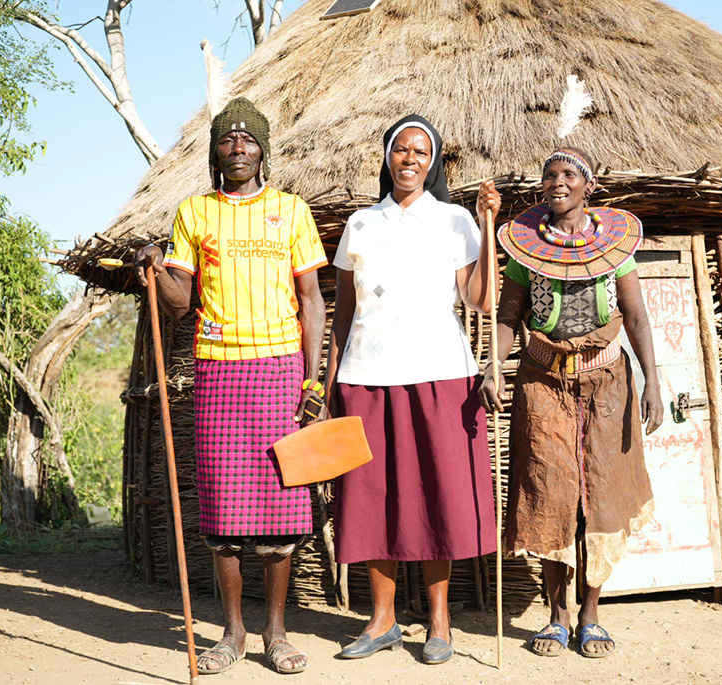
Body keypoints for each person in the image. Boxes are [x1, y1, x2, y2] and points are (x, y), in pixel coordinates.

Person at [134, 97, 327, 676]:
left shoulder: (291, 211)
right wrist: (156, 266)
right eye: (227, 140)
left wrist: (313, 381)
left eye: (248, 140)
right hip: (218, 369)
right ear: (215, 152)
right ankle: (232, 633)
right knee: (221, 508)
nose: (238, 148)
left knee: (280, 508)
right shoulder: (194, 214)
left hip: (279, 368)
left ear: (263, 150)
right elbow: (178, 304)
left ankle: (275, 632)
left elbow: (312, 300)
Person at [324, 114, 500, 665]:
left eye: (422, 152)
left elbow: (481, 300)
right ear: (387, 157)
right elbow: (344, 313)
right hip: (367, 377)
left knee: (436, 493)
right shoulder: (360, 224)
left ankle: (439, 621)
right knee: (374, 496)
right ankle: (381, 620)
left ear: (434, 162)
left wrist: (488, 225)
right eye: (402, 150)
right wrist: (330, 383)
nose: (410, 160)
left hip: (439, 371)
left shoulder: (454, 222)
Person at [479, 146, 664, 658]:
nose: (557, 183)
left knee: (600, 495)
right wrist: (493, 365)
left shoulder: (615, 246)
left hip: (606, 384)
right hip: (543, 384)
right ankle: (556, 615)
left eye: (568, 175)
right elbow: (507, 318)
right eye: (550, 175)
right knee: (550, 491)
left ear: (589, 184)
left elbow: (637, 317)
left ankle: (590, 613)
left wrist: (652, 380)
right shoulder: (523, 248)